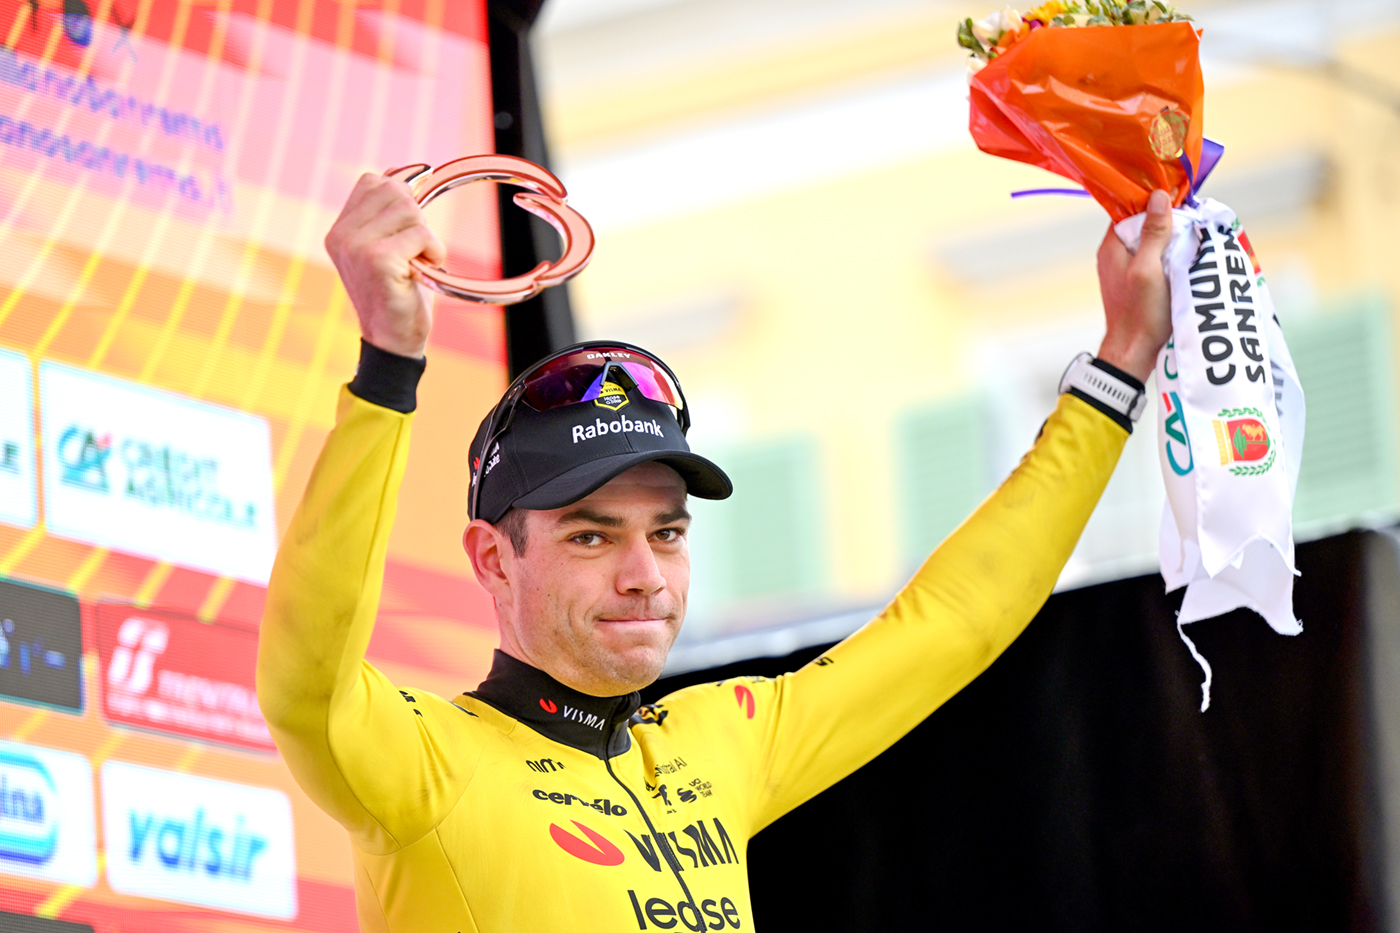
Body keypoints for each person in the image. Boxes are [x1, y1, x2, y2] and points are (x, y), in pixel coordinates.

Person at [256, 173, 1174, 933]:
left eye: (667, 532)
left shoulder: (718, 741)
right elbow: (304, 680)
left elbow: (954, 622)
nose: (644, 576)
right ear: (495, 560)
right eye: (591, 535)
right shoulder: (424, 765)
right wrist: (389, 368)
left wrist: (1122, 364)